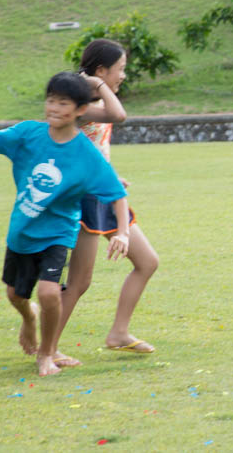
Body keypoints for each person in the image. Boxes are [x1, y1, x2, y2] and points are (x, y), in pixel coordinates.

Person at [0, 70, 129, 376]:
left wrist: (123, 232)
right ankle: (29, 318)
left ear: (81, 110)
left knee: (48, 292)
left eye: (63, 104)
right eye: (51, 101)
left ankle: (46, 354)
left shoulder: (86, 153)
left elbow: (116, 193)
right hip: (22, 231)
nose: (54, 109)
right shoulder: (28, 134)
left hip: (58, 232)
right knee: (15, 295)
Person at [53, 38, 159, 365]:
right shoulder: (78, 101)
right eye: (120, 69)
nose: (123, 76)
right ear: (100, 70)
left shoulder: (91, 98)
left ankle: (119, 333)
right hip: (85, 199)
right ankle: (48, 346)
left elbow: (89, 148)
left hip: (105, 193)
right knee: (79, 281)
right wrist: (98, 84)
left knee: (147, 262)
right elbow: (118, 114)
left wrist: (111, 174)